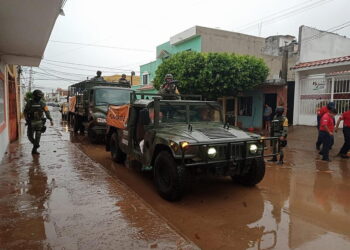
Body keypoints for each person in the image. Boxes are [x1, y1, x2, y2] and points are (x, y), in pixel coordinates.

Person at [24, 90, 54, 155]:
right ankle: (36, 144)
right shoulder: (29, 102)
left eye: (40, 95)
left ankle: (34, 149)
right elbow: (25, 111)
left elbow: (47, 111)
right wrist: (27, 120)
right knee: (30, 136)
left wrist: (50, 119)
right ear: (34, 96)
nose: (39, 97)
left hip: (39, 122)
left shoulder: (42, 103)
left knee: (38, 136)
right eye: (38, 95)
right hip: (31, 122)